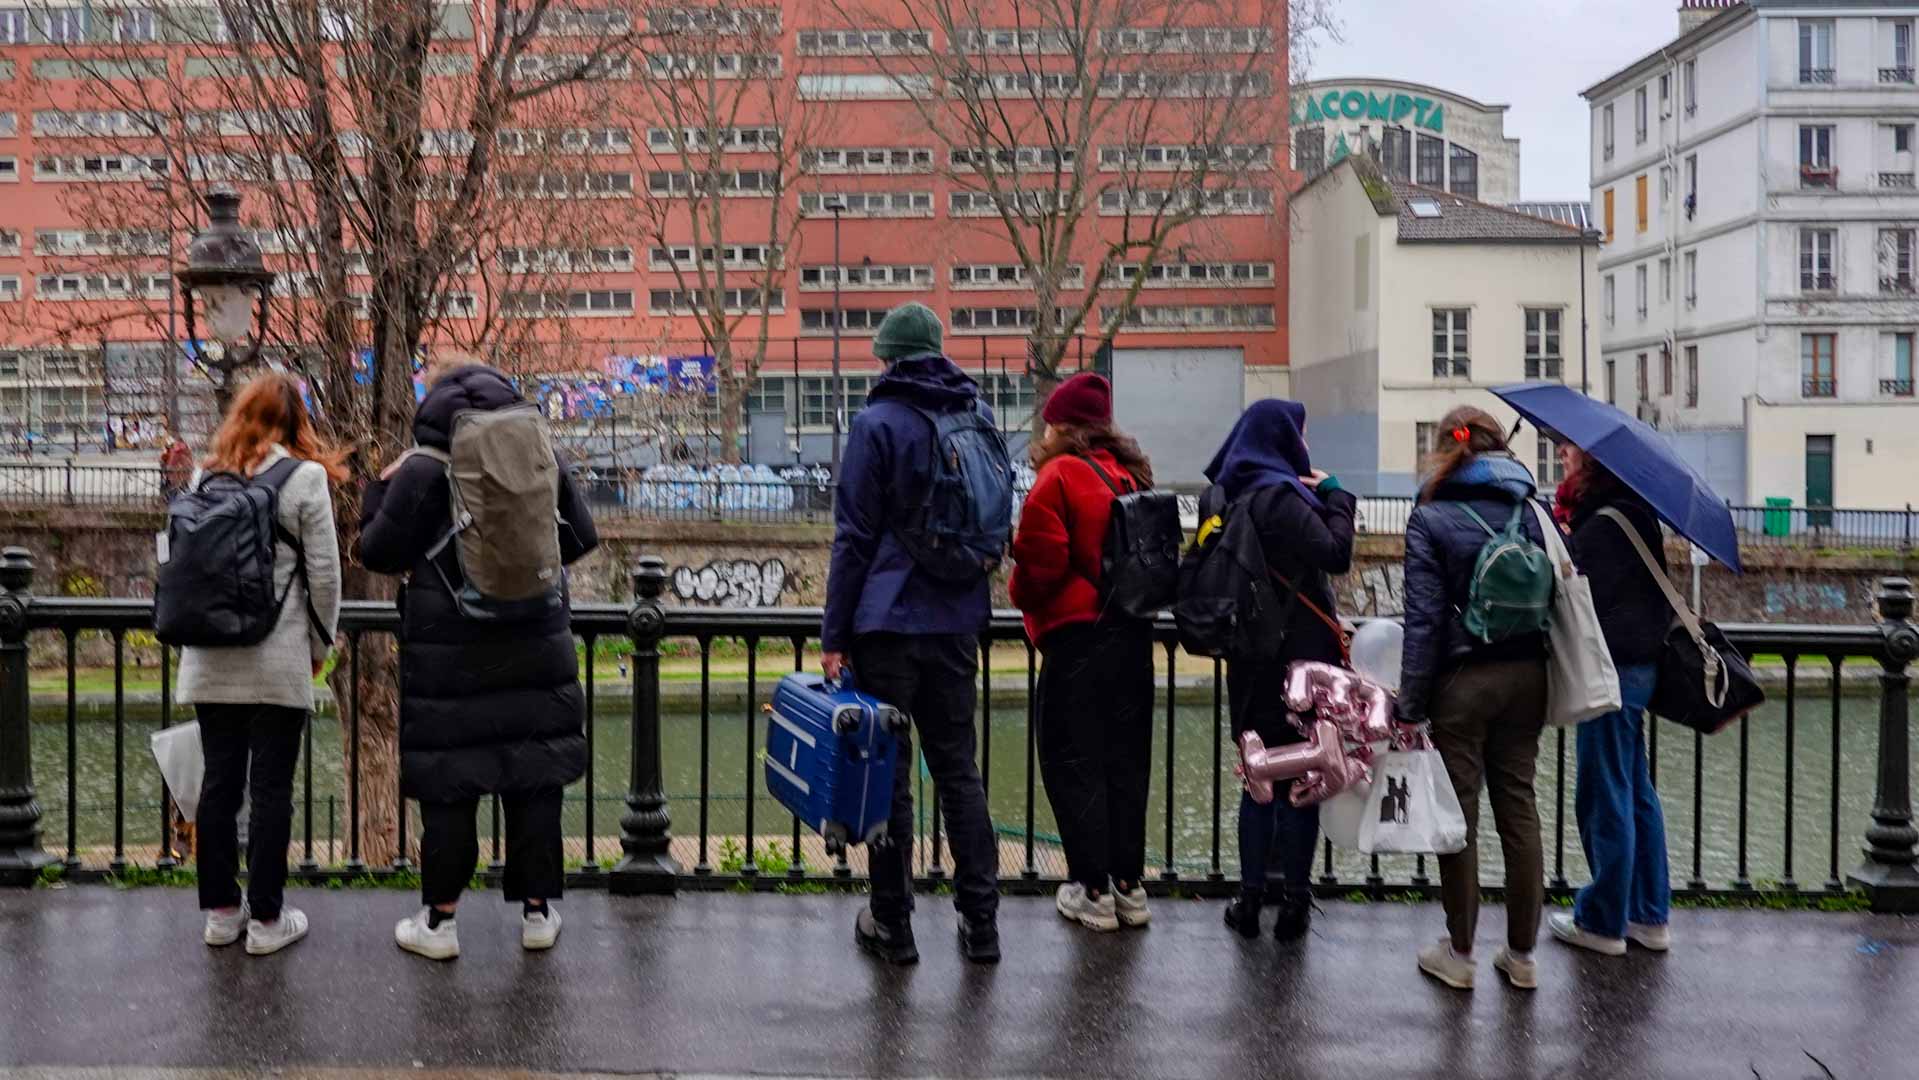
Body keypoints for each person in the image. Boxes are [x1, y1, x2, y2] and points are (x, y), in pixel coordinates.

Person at [358, 363, 599, 961]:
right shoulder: (539, 455)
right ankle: (538, 915)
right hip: (537, 645)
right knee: (535, 780)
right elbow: (579, 538)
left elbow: (377, 551)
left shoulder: (421, 470)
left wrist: (380, 487)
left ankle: (439, 924)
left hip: (451, 658)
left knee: (450, 786)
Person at [820, 302, 1002, 966]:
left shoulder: (876, 425)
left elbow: (853, 538)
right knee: (959, 770)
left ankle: (892, 925)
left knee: (888, 779)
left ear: (888, 358)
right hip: (956, 621)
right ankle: (981, 924)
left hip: (887, 623)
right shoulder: (977, 416)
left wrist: (835, 634)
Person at [178, 372, 343, 957]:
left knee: (219, 784)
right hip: (277, 656)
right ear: (297, 422)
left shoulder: (204, 476)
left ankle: (222, 913)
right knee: (272, 789)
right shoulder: (305, 477)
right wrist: (320, 646)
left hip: (210, 657)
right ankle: (269, 919)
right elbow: (325, 575)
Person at [1400, 406, 1551, 991]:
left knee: (1457, 816)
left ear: (1444, 449)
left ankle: (1460, 954)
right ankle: (1522, 955)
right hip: (1529, 676)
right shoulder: (1532, 510)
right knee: (1519, 809)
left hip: (1461, 684)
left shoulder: (1430, 517)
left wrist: (1410, 705)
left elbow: (1424, 621)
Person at [1010, 373, 1158, 933]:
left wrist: (1019, 592)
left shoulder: (1060, 477)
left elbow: (1039, 566)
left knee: (1074, 764)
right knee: (1126, 764)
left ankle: (1091, 889)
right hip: (1133, 640)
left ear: (1063, 426)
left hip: (1077, 642)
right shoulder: (1133, 476)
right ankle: (1128, 887)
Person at [1204, 401, 1356, 942]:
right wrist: (1338, 496)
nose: (1305, 445)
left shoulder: (1225, 496)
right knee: (1302, 777)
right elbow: (1336, 552)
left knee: (1258, 776)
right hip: (1299, 663)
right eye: (1301, 434)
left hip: (1248, 656)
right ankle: (1293, 903)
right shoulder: (1281, 497)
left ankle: (1248, 901)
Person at [1551, 444, 1673, 956]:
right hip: (1642, 668)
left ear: (1593, 464)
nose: (1562, 457)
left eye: (1569, 453)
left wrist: (1565, 542)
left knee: (1605, 794)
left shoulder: (1599, 526)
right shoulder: (1637, 515)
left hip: (1610, 671)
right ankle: (1648, 914)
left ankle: (1602, 922)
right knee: (1636, 789)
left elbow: (1576, 597)